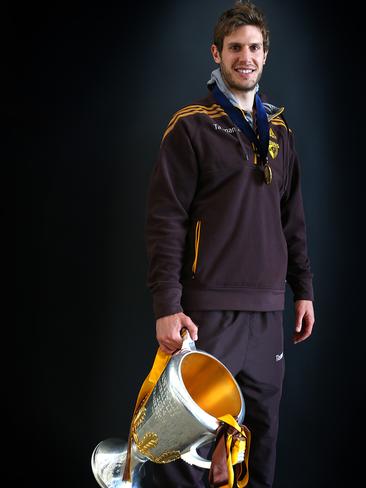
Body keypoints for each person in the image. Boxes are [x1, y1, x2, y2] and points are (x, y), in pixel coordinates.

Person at [144, 1, 315, 486]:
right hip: (205, 313)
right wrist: (166, 304)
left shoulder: (279, 130)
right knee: (185, 449)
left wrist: (303, 289)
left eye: (255, 47)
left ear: (266, 55)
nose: (247, 56)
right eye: (236, 47)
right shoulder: (190, 126)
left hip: (267, 315)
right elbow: (165, 220)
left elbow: (293, 218)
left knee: (258, 441)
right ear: (216, 53)